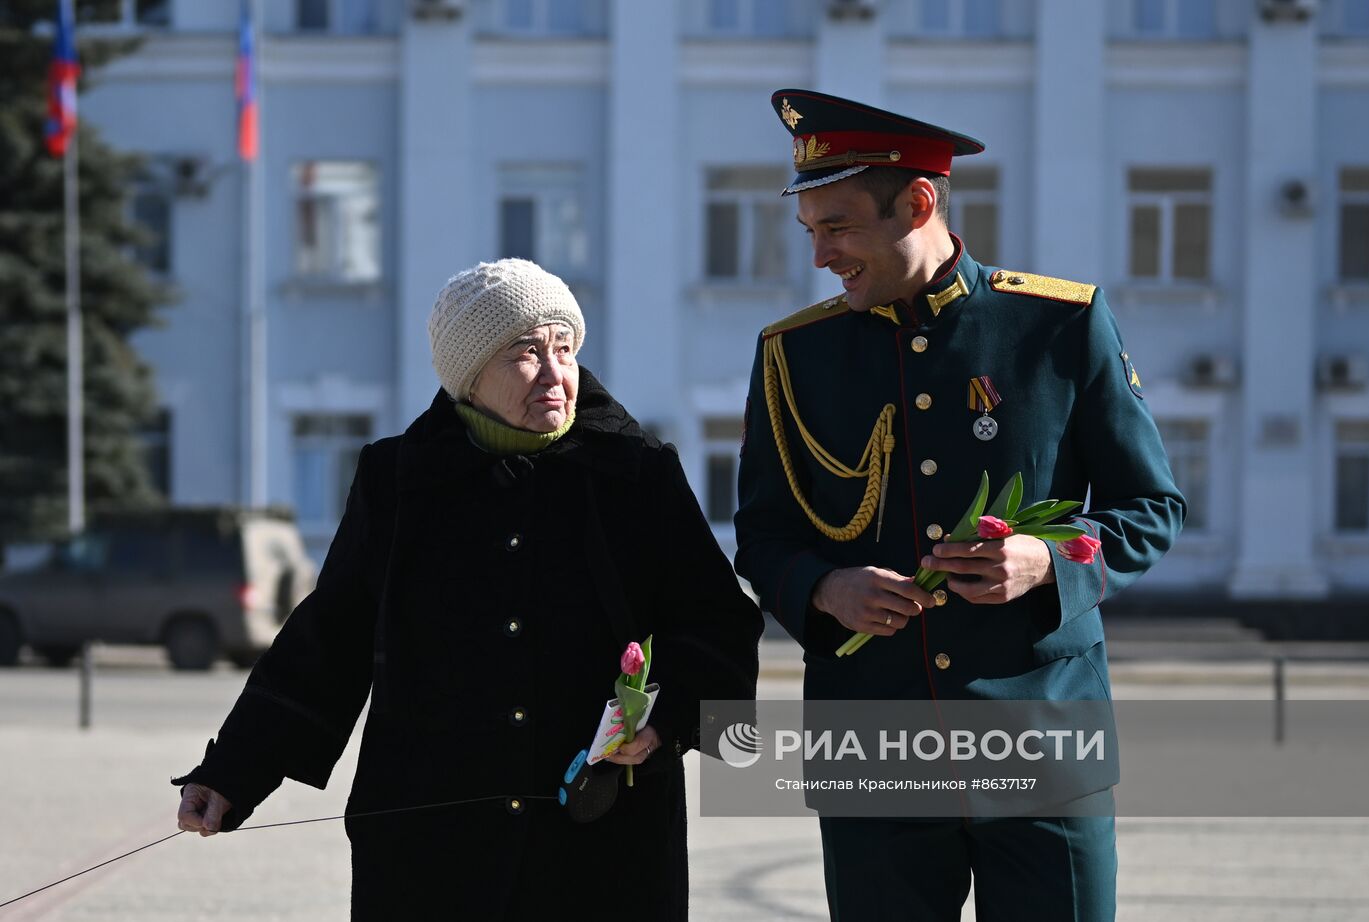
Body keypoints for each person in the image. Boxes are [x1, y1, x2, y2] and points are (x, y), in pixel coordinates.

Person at [175, 258, 763, 920]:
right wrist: (232, 773)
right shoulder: (398, 480)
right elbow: (329, 640)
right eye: (525, 353)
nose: (554, 372)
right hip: (432, 853)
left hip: (603, 844)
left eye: (564, 349)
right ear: (469, 376)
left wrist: (660, 724)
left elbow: (717, 623)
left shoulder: (636, 475)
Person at [734, 89, 1186, 920]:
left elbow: (1149, 505)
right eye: (811, 232)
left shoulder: (1059, 325)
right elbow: (762, 535)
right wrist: (825, 590)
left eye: (837, 228)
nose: (821, 256)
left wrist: (1047, 560)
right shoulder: (793, 357)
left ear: (918, 201)